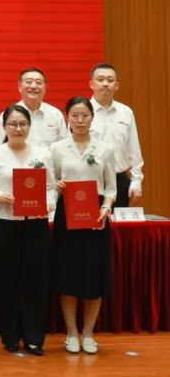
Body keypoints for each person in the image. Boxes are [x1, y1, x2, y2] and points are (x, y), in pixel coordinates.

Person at [0, 104, 56, 356]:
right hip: (4, 223)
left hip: (35, 223)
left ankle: (34, 338)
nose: (18, 128)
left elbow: (51, 187)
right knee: (7, 280)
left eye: (23, 124)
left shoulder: (43, 154)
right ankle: (10, 335)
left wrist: (46, 204)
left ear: (30, 127)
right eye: (12, 124)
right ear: (4, 127)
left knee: (36, 281)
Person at [51, 96, 116, 355]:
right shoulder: (56, 149)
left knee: (94, 275)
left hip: (96, 217)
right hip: (67, 216)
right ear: (67, 118)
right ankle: (71, 333)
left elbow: (111, 187)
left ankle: (88, 333)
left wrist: (106, 208)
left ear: (92, 118)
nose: (80, 120)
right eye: (75, 116)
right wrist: (56, 186)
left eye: (85, 116)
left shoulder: (105, 149)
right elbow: (50, 182)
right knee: (68, 273)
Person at [89, 63, 144, 208]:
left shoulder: (126, 112)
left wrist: (137, 180)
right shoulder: (82, 112)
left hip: (119, 179)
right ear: (91, 84)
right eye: (100, 79)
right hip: (90, 179)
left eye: (110, 80)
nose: (105, 84)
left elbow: (134, 148)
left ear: (117, 85)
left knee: (118, 222)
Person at [0, 68, 67, 147]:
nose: (33, 86)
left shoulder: (55, 114)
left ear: (45, 87)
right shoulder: (9, 115)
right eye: (29, 82)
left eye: (38, 82)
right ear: (19, 86)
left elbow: (64, 146)